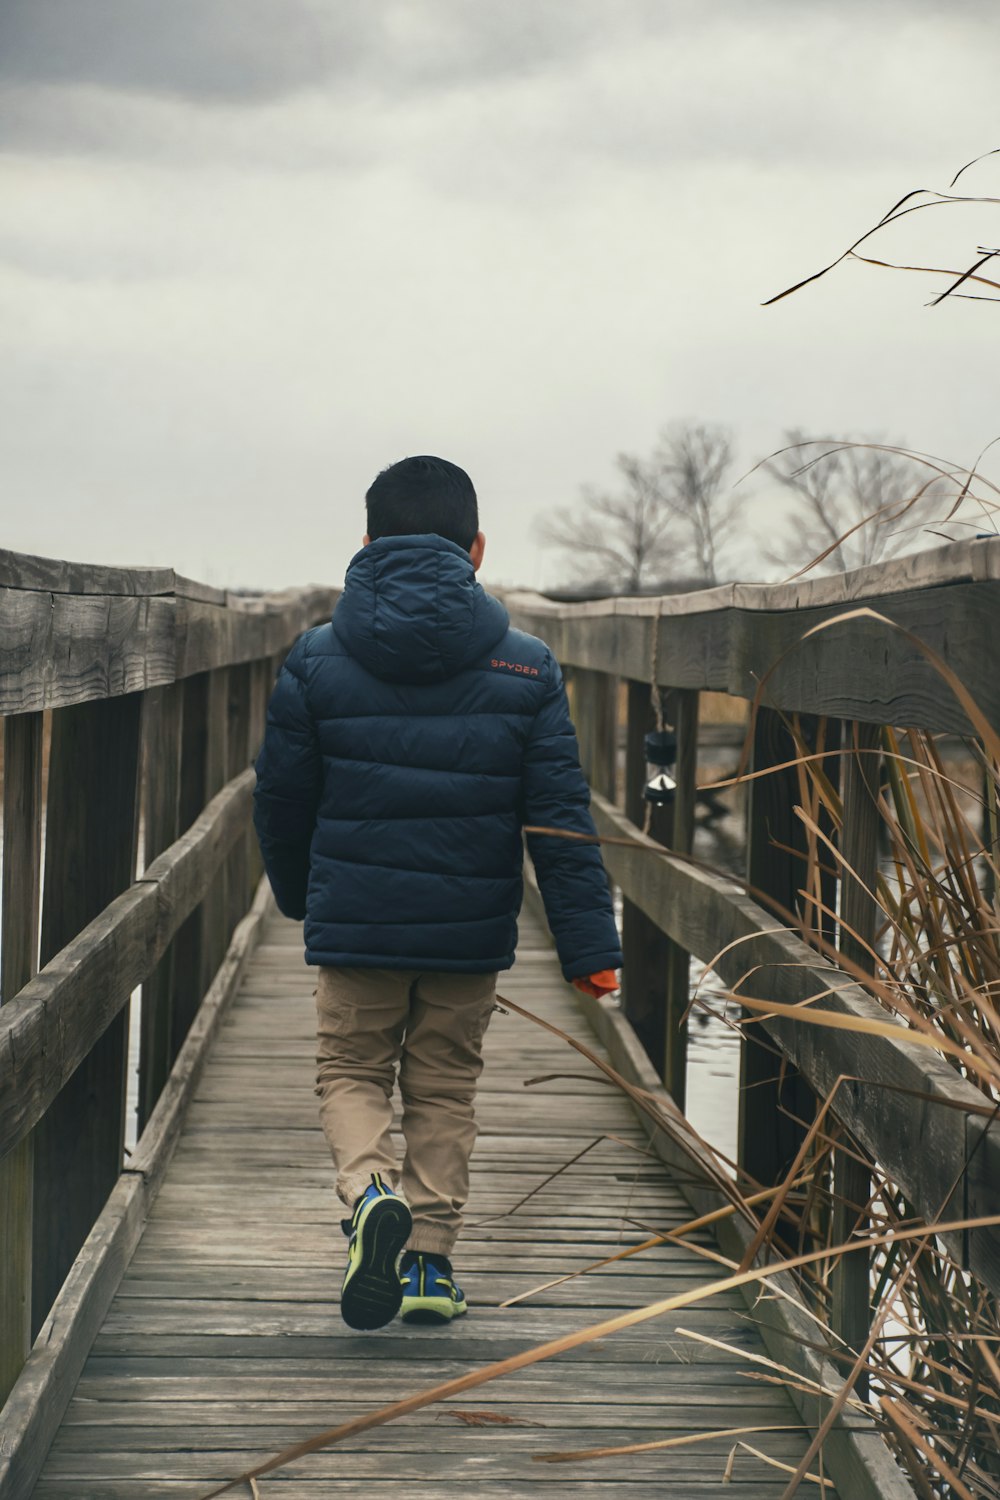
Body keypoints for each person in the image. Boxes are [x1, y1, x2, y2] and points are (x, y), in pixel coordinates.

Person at [253, 455, 622, 1331]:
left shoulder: (315, 658)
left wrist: (301, 896)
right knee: (445, 1087)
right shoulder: (529, 668)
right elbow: (561, 820)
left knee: (350, 1070)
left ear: (369, 544)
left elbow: (280, 798)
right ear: (479, 550)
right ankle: (427, 1267)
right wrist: (591, 953)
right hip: (468, 932)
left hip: (357, 924)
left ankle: (370, 1190)